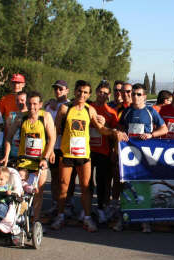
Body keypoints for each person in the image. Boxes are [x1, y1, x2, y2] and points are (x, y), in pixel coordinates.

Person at [52, 80, 127, 232]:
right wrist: (51, 150)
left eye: (85, 92)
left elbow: (101, 129)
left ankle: (87, 217)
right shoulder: (64, 109)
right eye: (79, 91)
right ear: (75, 91)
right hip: (67, 153)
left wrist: (113, 131)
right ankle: (60, 216)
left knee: (86, 187)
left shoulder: (90, 110)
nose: (82, 94)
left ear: (89, 94)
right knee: (63, 186)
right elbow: (55, 130)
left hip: (84, 154)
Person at [118, 83, 168, 233]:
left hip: (146, 155)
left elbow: (164, 128)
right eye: (133, 94)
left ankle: (145, 221)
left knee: (144, 186)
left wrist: (151, 135)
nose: (135, 97)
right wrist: (121, 134)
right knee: (126, 185)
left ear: (145, 97)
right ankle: (124, 218)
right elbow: (120, 128)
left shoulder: (151, 111)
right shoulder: (127, 112)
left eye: (139, 94)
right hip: (129, 155)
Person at [2, 91, 56, 222]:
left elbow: (51, 138)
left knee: (38, 192)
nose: (32, 107)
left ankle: (35, 220)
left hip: (39, 161)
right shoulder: (21, 117)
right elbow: (8, 137)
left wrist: (45, 157)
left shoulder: (46, 116)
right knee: (19, 191)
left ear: (40, 104)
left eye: (35, 104)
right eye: (29, 104)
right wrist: (6, 156)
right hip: (24, 160)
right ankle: (18, 220)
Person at [89, 80, 119, 224]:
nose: (102, 95)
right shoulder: (88, 107)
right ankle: (86, 208)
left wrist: (105, 124)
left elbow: (115, 134)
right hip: (87, 150)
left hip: (103, 151)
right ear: (96, 92)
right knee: (87, 182)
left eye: (105, 93)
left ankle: (101, 208)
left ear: (109, 96)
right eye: (100, 92)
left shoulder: (111, 112)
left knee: (102, 182)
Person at [44, 80, 74, 218]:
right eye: (56, 89)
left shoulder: (70, 105)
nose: (58, 91)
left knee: (66, 178)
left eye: (61, 89)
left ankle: (67, 204)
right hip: (52, 147)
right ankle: (56, 204)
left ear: (67, 90)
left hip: (66, 147)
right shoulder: (49, 106)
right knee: (55, 177)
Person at [4, 91, 28, 162]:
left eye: (22, 100)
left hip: (26, 153)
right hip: (14, 152)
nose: (19, 102)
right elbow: (8, 136)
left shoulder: (31, 115)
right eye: (17, 100)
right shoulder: (12, 115)